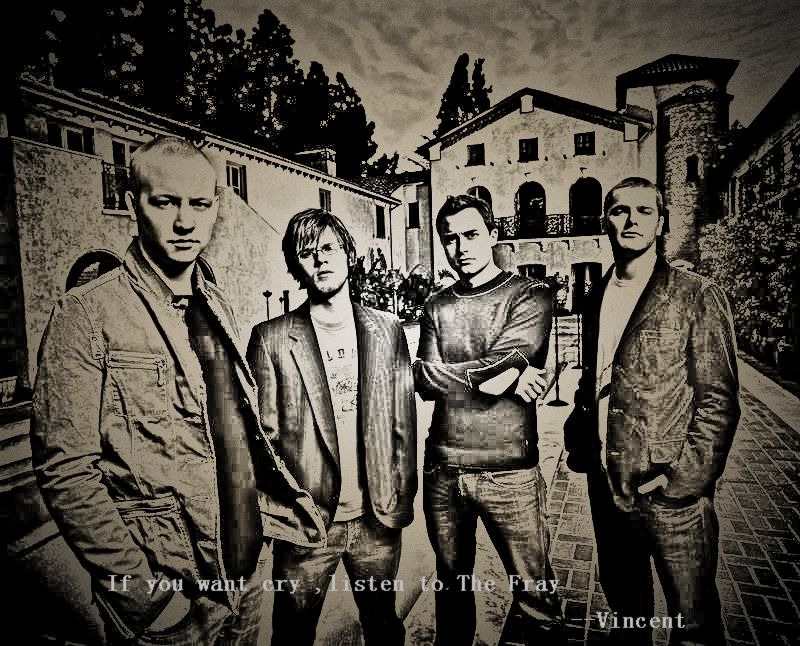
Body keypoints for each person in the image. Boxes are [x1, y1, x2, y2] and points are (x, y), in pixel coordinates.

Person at [31, 136, 325, 645]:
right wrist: (143, 593)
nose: (186, 222)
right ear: (133, 204)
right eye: (166, 202)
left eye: (200, 204)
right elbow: (66, 469)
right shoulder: (86, 314)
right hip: (175, 600)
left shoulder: (216, 303)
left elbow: (234, 434)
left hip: (245, 577)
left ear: (216, 208)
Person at [564, 177, 740, 645]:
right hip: (608, 487)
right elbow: (597, 375)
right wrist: (584, 436)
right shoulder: (597, 294)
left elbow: (719, 401)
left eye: (644, 211)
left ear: (661, 223)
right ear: (605, 221)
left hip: (669, 494)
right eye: (620, 210)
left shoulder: (696, 294)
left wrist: (681, 481)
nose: (631, 220)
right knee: (627, 614)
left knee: (694, 624)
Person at [247, 208, 417, 646]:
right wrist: (282, 515)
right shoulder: (270, 339)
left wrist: (399, 496)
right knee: (292, 635)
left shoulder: (387, 330)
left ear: (347, 253)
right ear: (295, 265)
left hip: (376, 520)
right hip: (306, 528)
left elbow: (403, 421)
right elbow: (263, 441)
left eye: (328, 248)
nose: (321, 259)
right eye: (307, 252)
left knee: (383, 627)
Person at [414, 194, 564, 645]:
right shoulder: (437, 305)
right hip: (443, 469)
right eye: (450, 238)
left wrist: (501, 372)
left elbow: (494, 368)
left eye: (471, 234)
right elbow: (423, 380)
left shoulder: (531, 294)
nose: (461, 247)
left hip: (509, 472)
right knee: (452, 589)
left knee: (535, 598)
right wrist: (503, 373)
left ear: (493, 235)